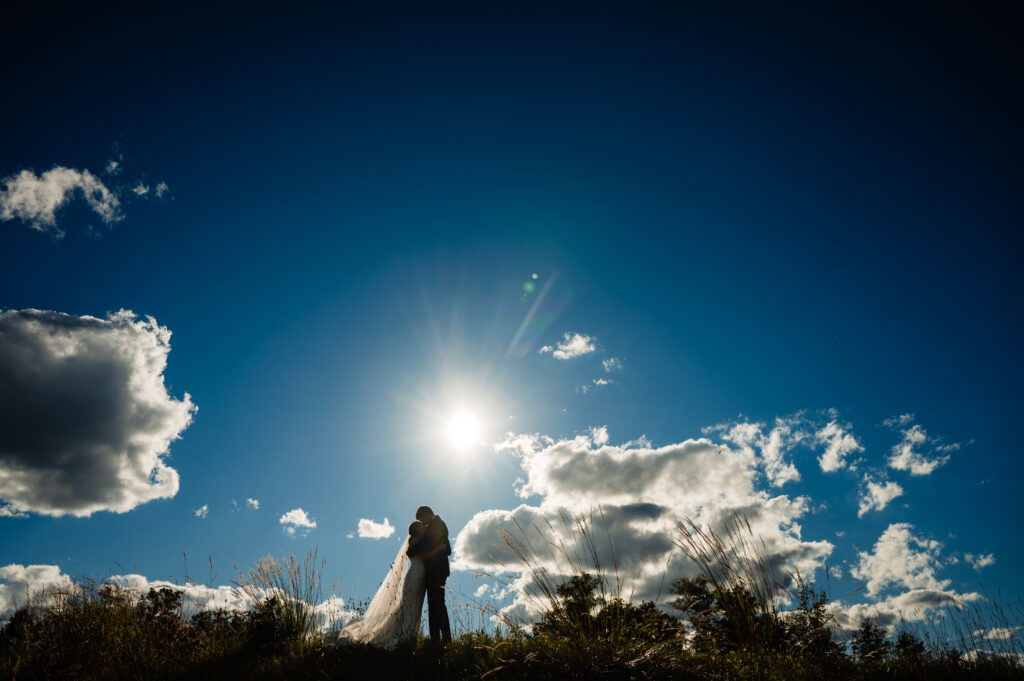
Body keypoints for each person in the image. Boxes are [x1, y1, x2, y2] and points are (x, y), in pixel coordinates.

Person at [334, 520, 427, 649]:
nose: (424, 527)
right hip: (415, 577)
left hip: (419, 576)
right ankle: (400, 637)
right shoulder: (415, 541)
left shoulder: (419, 540)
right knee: (408, 608)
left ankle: (408, 637)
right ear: (417, 529)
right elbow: (422, 555)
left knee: (414, 608)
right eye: (421, 526)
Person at [406, 504, 452, 652]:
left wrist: (412, 550)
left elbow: (425, 544)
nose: (423, 523)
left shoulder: (436, 524)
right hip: (436, 571)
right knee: (435, 605)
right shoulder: (437, 524)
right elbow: (449, 550)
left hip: (437, 571)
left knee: (437, 605)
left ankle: (442, 640)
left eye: (422, 519)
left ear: (427, 514)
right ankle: (439, 640)